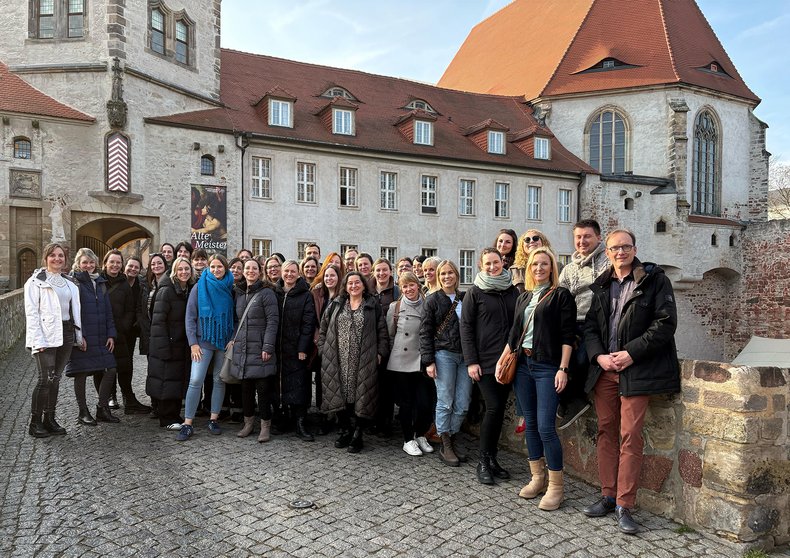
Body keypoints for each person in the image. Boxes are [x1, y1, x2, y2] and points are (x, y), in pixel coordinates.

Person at [582, 229, 680, 534]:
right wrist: (599, 356)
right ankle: (608, 496)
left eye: (625, 247)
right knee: (606, 432)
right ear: (607, 252)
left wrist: (631, 354)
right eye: (614, 248)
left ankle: (625, 504)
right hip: (605, 371)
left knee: (630, 437)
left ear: (634, 249)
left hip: (637, 370)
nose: (619, 252)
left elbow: (666, 324)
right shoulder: (601, 284)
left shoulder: (654, 280)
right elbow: (589, 329)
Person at [498, 247, 576, 510]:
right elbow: (514, 334)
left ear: (552, 267)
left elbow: (568, 335)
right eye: (534, 264)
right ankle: (537, 477)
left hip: (547, 366)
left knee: (545, 426)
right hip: (522, 366)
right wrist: (502, 359)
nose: (539, 268)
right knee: (530, 423)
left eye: (544, 264)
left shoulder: (561, 296)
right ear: (529, 268)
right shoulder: (524, 297)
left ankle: (556, 487)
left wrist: (563, 368)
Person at [460, 248, 518, 485]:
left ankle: (492, 459)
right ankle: (483, 461)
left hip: (508, 362)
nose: (492, 267)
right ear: (481, 266)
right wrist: (471, 361)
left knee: (499, 410)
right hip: (484, 362)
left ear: (502, 263)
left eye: (496, 262)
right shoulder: (475, 292)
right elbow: (466, 328)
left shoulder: (512, 290)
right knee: (493, 408)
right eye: (487, 264)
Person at [318, 271, 389, 453]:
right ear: (345, 286)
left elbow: (382, 331)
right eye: (350, 283)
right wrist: (322, 350)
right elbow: (323, 329)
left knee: (362, 394)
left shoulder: (372, 305)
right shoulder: (336, 304)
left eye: (357, 283)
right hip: (337, 358)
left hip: (363, 358)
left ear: (364, 285)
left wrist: (381, 352)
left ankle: (358, 432)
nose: (354, 286)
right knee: (339, 393)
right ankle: (345, 429)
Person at [24, 243, 83, 437]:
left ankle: (50, 419)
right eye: (53, 256)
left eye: (61, 256)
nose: (57, 259)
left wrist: (78, 336)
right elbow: (31, 314)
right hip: (46, 335)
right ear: (46, 258)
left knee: (55, 379)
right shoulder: (35, 282)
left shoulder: (69, 282)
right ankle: (35, 422)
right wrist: (37, 341)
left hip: (66, 333)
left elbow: (75, 312)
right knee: (45, 379)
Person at [557, 219, 610, 429]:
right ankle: (570, 402)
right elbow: (562, 298)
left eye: (587, 236)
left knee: (580, 360)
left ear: (598, 237)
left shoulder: (608, 261)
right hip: (573, 322)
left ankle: (574, 400)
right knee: (557, 360)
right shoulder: (569, 269)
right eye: (578, 237)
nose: (582, 241)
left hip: (596, 323)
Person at [177, 253, 235, 441]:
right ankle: (187, 423)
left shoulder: (230, 287)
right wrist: (193, 343)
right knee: (195, 380)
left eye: (220, 266)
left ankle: (214, 418)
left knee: (219, 380)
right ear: (208, 268)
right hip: (203, 342)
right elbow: (190, 317)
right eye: (213, 267)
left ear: (225, 268)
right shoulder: (198, 287)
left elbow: (235, 318)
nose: (216, 270)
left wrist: (232, 338)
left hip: (223, 342)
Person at [420, 259, 469, 466]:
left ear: (456, 276)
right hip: (444, 354)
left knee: (463, 403)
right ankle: (445, 441)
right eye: (443, 274)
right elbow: (425, 332)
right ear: (438, 278)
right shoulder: (432, 300)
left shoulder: (465, 298)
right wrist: (429, 361)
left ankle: (453, 435)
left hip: (465, 357)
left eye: (450, 273)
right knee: (445, 400)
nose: (447, 277)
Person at [64, 248, 120, 425]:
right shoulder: (74, 283)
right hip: (85, 336)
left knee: (110, 369)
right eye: (84, 262)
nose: (88, 265)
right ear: (78, 264)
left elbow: (108, 311)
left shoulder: (101, 282)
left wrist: (111, 333)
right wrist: (80, 336)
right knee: (80, 372)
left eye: (91, 262)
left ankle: (102, 408)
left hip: (102, 336)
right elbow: (72, 312)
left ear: (95, 263)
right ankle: (83, 412)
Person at [509, 228, 557, 434]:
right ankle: (523, 415)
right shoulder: (516, 270)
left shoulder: (553, 268)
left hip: (545, 334)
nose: (531, 241)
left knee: (545, 426)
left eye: (535, 238)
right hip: (523, 327)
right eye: (526, 239)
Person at [231, 258, 279, 442]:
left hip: (260, 348)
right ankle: (249, 423)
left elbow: (273, 321)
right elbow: (237, 320)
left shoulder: (267, 293)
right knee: (246, 389)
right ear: (243, 271)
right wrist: (233, 339)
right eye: (247, 268)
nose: (250, 271)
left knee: (264, 389)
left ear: (260, 272)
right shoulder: (239, 293)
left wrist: (267, 345)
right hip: (242, 348)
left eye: (254, 268)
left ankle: (265, 425)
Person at [386, 272, 433, 456]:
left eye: (411, 285)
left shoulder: (428, 305)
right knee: (405, 404)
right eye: (404, 286)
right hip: (400, 362)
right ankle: (408, 439)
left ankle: (420, 433)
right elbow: (390, 334)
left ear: (418, 285)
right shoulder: (395, 307)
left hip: (421, 360)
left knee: (424, 403)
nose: (408, 289)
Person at [146, 256, 194, 430]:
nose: (184, 272)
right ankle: (166, 418)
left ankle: (173, 415)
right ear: (174, 271)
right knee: (166, 381)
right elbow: (158, 322)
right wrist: (164, 348)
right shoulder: (167, 290)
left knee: (174, 381)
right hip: (167, 344)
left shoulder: (187, 289)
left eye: (187, 269)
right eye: (180, 269)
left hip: (180, 344)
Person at [101, 249, 150, 414]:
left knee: (125, 366)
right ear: (106, 263)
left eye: (118, 262)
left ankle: (129, 399)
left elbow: (131, 309)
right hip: (102, 333)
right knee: (105, 368)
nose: (115, 265)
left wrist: (122, 327)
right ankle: (107, 399)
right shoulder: (98, 281)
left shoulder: (125, 284)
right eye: (112, 262)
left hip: (122, 333)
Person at [274, 260, 317, 441]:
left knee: (299, 384)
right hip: (278, 347)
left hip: (296, 346)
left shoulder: (305, 295)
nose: (289, 274)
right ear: (281, 273)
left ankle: (300, 421)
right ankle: (284, 418)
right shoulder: (274, 293)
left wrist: (302, 348)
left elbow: (309, 324)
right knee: (280, 384)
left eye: (293, 271)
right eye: (286, 271)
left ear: (298, 274)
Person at [310, 263, 342, 430]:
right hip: (320, 345)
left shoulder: (343, 296)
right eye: (327, 276)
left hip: (338, 345)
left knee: (336, 382)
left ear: (338, 278)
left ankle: (336, 415)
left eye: (333, 275)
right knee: (322, 381)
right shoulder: (317, 294)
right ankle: (324, 415)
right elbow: (313, 319)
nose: (329, 278)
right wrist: (317, 338)